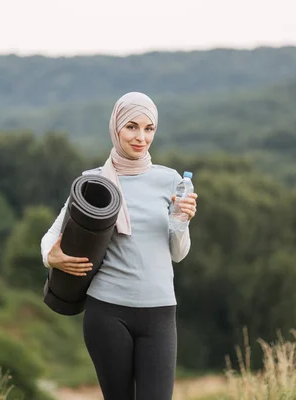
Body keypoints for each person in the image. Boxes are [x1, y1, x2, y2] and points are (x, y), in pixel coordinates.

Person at [40, 91, 198, 399]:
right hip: (107, 313)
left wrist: (182, 221)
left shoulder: (170, 181)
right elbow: (52, 235)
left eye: (149, 128)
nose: (141, 137)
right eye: (132, 127)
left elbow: (178, 254)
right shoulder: (94, 182)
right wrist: (52, 257)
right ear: (116, 127)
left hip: (160, 313)